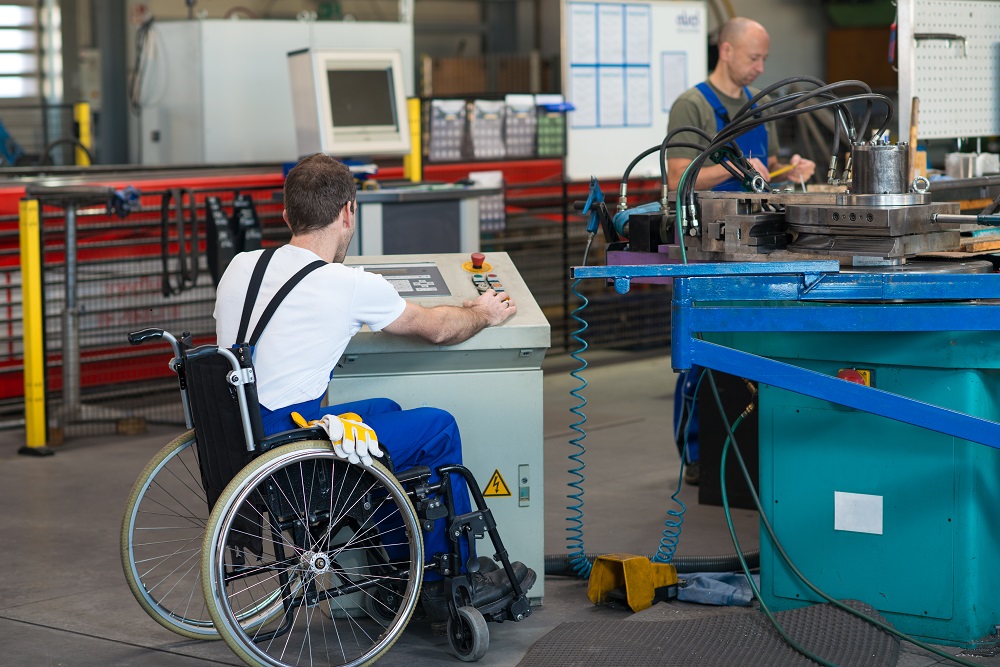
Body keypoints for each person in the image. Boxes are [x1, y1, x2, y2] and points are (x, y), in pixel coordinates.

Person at [214, 153, 536, 627]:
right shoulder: (346, 284)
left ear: (287, 215)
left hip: (241, 442)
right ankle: (449, 580)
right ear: (348, 212)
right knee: (438, 429)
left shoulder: (241, 267)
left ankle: (397, 572)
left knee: (386, 409)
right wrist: (482, 312)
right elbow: (436, 329)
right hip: (293, 458)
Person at [666, 17, 816, 192]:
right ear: (726, 51)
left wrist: (790, 170)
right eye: (754, 58)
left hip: (760, 215)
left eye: (763, 59)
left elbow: (770, 166)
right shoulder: (691, 105)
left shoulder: (761, 103)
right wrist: (737, 167)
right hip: (711, 216)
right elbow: (676, 180)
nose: (760, 68)